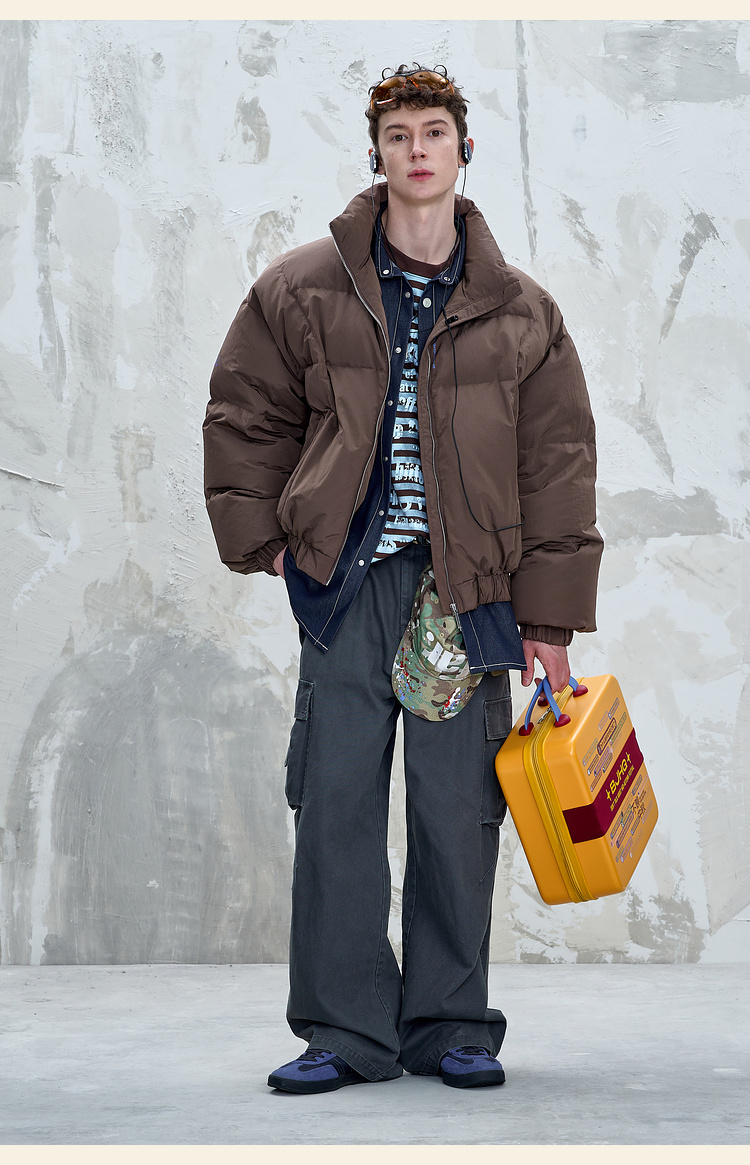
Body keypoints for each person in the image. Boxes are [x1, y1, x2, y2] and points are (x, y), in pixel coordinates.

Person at [203, 63, 603, 1094]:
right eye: (397, 136)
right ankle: (344, 1032)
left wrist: (549, 620)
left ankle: (449, 1024)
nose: (416, 150)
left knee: (456, 810)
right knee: (334, 802)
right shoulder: (305, 287)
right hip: (347, 585)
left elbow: (557, 467)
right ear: (376, 154)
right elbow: (245, 415)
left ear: (464, 149)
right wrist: (272, 543)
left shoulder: (523, 311)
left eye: (433, 132)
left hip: (469, 595)